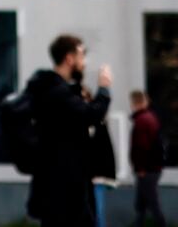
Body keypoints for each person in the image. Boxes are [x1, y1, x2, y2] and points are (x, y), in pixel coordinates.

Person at [24, 34, 113, 227]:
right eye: (81, 55)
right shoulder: (56, 92)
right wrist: (104, 90)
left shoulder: (53, 89)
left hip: (59, 183)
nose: (84, 61)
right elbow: (91, 114)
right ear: (69, 58)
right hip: (64, 186)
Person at [129, 90, 166, 227]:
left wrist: (140, 168)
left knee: (151, 203)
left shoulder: (142, 120)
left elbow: (141, 147)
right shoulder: (150, 118)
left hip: (147, 169)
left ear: (134, 103)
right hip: (152, 167)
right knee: (142, 204)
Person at [88, 89, 117, 227]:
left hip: (95, 176)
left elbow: (105, 149)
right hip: (82, 177)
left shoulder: (98, 124)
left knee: (97, 213)